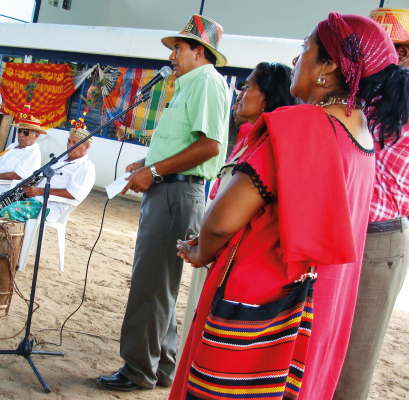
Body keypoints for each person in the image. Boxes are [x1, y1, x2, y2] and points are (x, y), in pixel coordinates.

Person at [171, 13, 408, 400]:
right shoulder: (361, 132)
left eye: (305, 50)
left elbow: (221, 221)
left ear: (328, 67)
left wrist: (201, 250)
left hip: (261, 299)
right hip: (316, 307)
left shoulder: (301, 126)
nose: (296, 61)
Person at [96, 14, 230, 392]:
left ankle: (137, 371)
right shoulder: (187, 85)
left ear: (200, 52)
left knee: (151, 285)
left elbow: (210, 147)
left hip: (176, 193)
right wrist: (147, 164)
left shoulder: (206, 82)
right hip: (168, 190)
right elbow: (185, 144)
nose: (172, 55)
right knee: (160, 285)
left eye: (179, 47)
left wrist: (154, 172)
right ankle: (162, 368)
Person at [177, 62, 298, 364]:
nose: (240, 93)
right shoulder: (247, 138)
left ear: (268, 98)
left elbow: (234, 219)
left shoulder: (270, 145)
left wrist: (205, 248)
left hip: (229, 260)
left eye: (248, 87)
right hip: (213, 252)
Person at [334, 8, 409, 400]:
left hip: (378, 242)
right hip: (340, 233)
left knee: (353, 360)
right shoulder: (358, 97)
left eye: (391, 48)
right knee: (323, 347)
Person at [0, 122, 95, 224]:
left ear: (87, 147)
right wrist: (27, 183)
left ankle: (8, 247)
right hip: (27, 197)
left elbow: (74, 194)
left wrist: (40, 191)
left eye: (75, 143)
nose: (70, 145)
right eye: (69, 141)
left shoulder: (86, 167)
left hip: (45, 206)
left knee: (9, 212)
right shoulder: (61, 159)